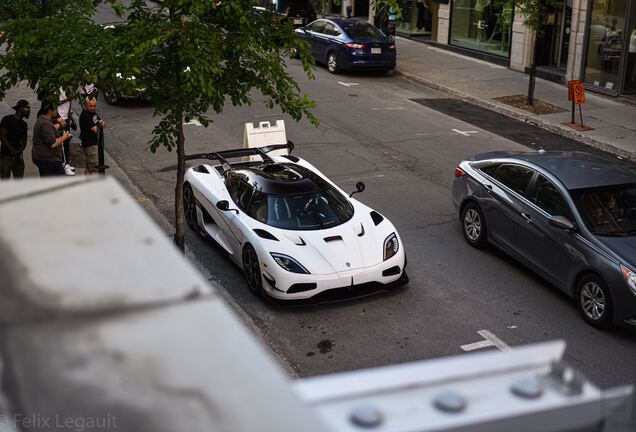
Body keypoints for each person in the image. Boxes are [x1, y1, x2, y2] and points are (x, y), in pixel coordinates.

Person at [31, 101, 70, 177]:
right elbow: (52, 143)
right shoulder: (45, 123)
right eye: (55, 109)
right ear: (49, 110)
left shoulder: (43, 121)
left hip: (44, 158)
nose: (57, 111)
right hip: (49, 160)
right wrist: (64, 137)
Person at [0, 99, 30, 180]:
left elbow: (24, 140)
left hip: (18, 157)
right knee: (5, 181)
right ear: (21, 109)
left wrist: (19, 151)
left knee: (19, 180)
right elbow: (2, 136)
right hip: (6, 156)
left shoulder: (24, 124)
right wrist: (12, 150)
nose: (29, 111)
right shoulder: (7, 119)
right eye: (27, 108)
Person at [79, 96, 106, 175]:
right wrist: (100, 124)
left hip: (93, 144)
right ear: (85, 105)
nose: (92, 108)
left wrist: (101, 124)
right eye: (90, 106)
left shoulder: (92, 113)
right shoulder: (85, 116)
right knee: (95, 169)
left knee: (89, 167)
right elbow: (97, 130)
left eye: (94, 106)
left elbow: (102, 122)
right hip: (90, 145)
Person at [57, 89, 77, 176]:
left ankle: (67, 163)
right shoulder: (56, 88)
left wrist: (72, 120)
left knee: (66, 143)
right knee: (62, 143)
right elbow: (54, 103)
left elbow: (68, 105)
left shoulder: (67, 88)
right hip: (59, 118)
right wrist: (68, 99)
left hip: (66, 118)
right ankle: (64, 165)